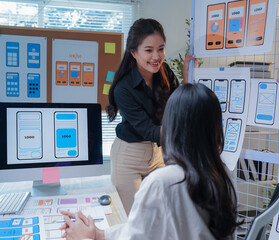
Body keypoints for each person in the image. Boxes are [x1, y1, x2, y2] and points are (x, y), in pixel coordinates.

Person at [61, 83, 238, 240]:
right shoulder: (222, 175)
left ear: (171, 127)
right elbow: (143, 229)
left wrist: (82, 237)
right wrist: (99, 234)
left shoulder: (163, 181)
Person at [106, 18, 194, 214]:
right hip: (129, 157)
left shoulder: (165, 73)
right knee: (133, 221)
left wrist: (188, 76)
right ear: (133, 52)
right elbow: (150, 130)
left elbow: (179, 106)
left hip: (157, 154)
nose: (156, 56)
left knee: (159, 218)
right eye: (148, 50)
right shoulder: (124, 88)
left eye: (160, 49)